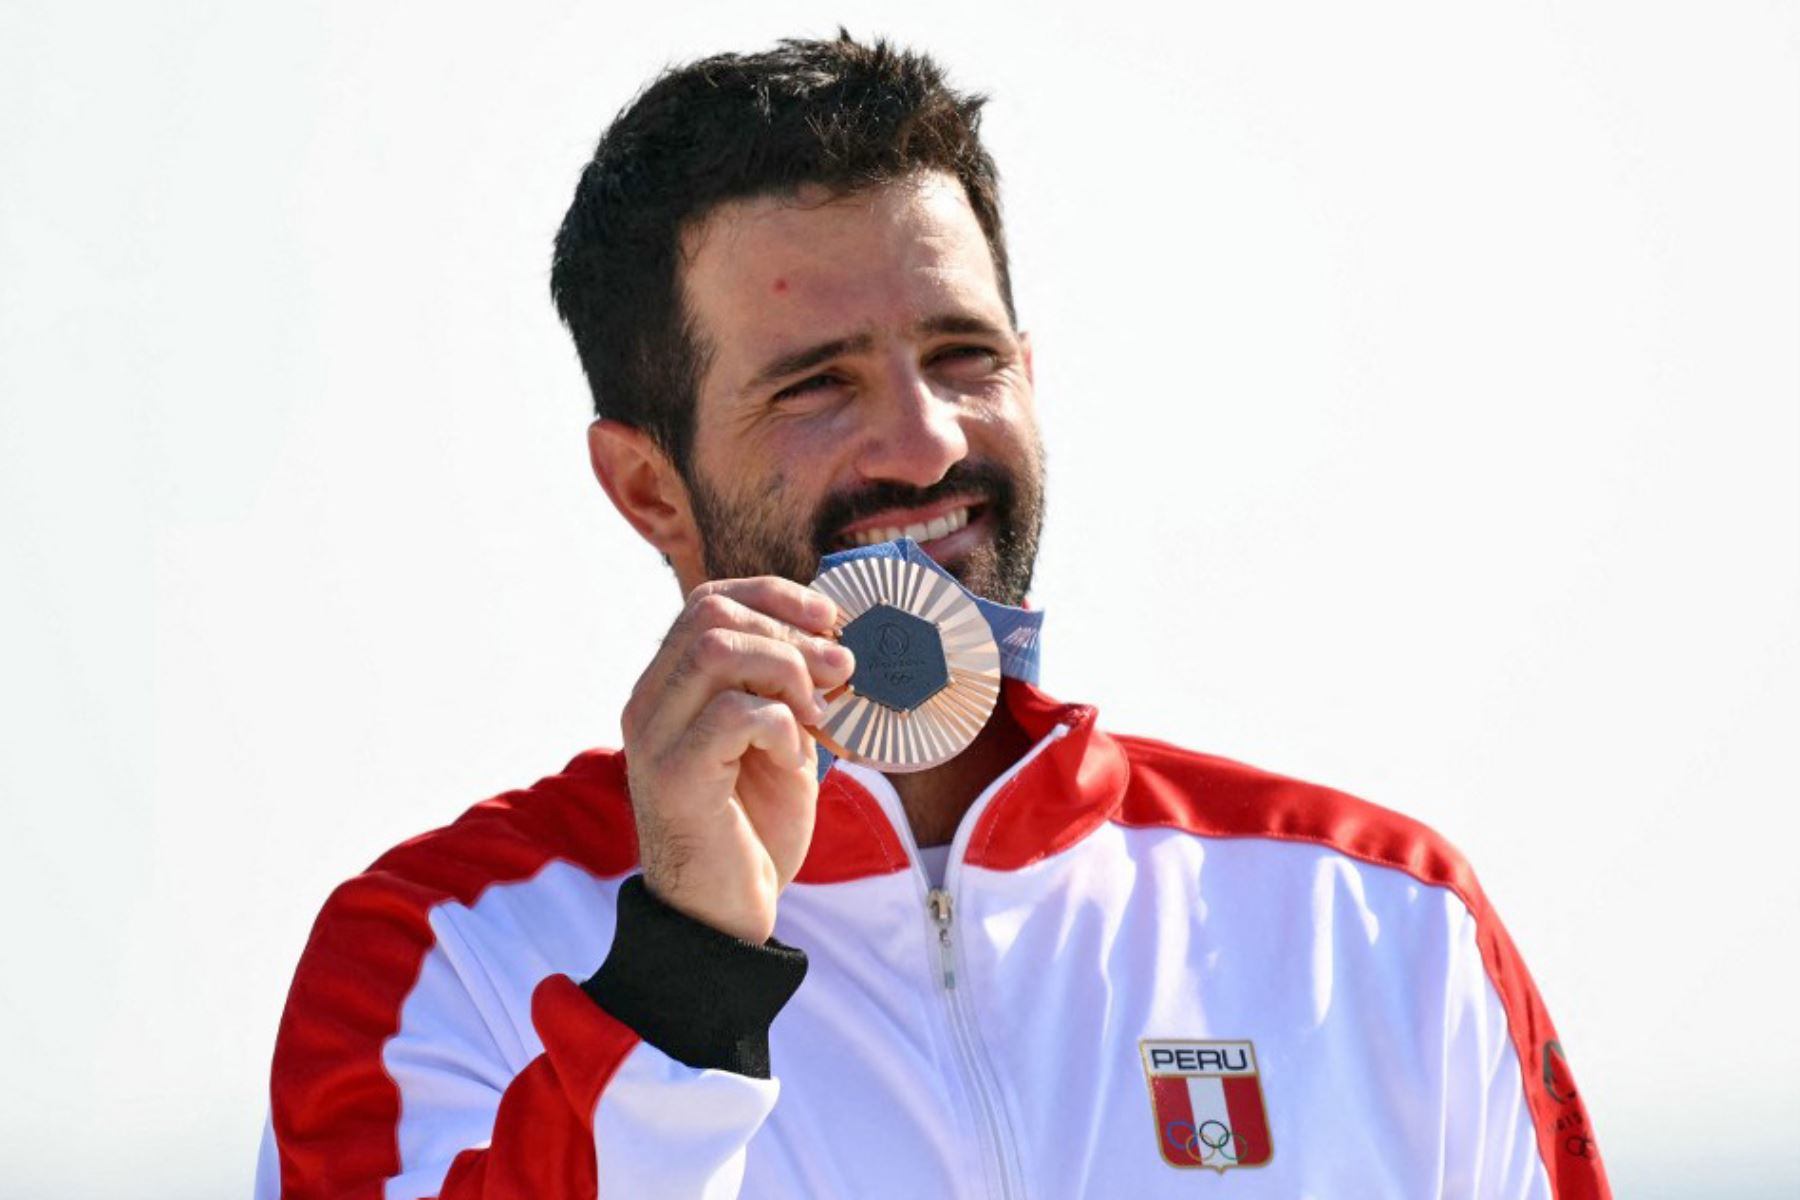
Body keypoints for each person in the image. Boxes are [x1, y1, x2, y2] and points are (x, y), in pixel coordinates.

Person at [257, 32, 1610, 1199]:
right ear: (649, 488)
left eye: (964, 358)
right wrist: (684, 979)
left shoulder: (1376, 919)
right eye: (816, 385)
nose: (923, 443)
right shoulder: (438, 955)